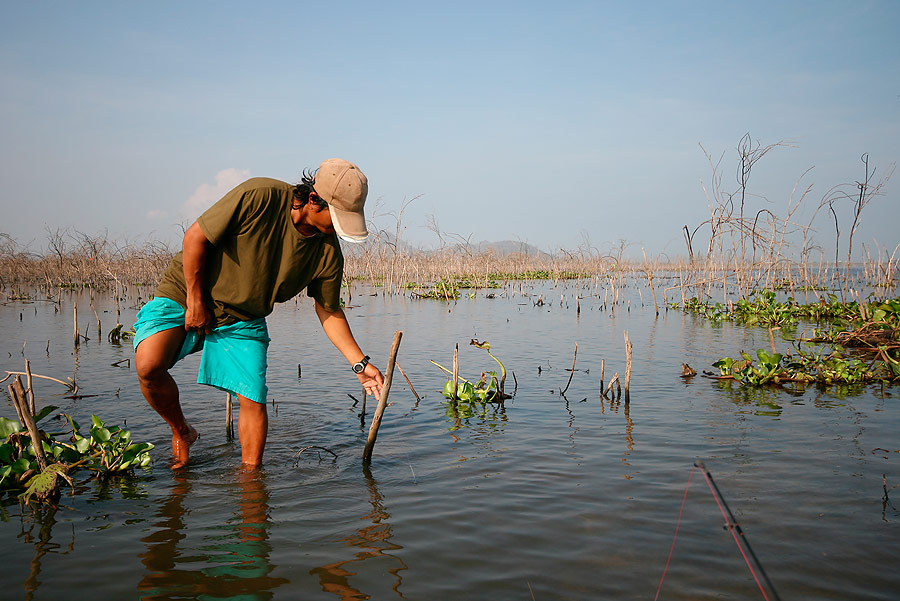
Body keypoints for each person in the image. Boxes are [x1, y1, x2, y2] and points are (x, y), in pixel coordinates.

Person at [134, 158, 384, 469]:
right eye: (335, 218)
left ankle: (252, 482)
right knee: (148, 365)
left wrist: (359, 363)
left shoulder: (328, 251)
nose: (337, 229)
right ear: (312, 200)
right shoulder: (260, 196)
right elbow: (195, 237)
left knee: (253, 399)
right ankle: (182, 431)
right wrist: (196, 302)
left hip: (243, 317)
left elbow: (328, 309)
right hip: (188, 292)